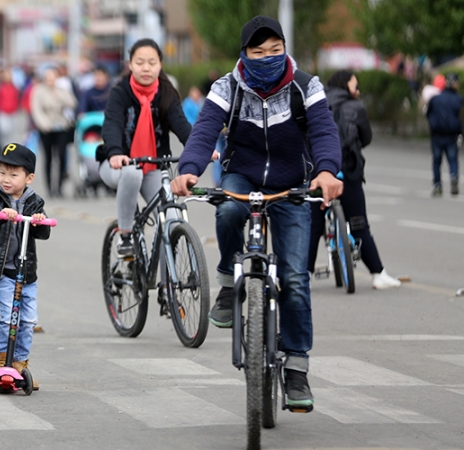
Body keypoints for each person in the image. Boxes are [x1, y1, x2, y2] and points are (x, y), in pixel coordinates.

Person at [171, 16, 344, 410]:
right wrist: (189, 170)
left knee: (296, 279)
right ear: (244, 54)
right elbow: (204, 130)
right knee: (229, 211)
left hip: (292, 184)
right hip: (242, 175)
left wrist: (327, 171)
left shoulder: (306, 85)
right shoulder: (226, 87)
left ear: (284, 48)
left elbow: (322, 131)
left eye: (275, 50)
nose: (268, 58)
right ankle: (230, 284)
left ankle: (297, 369)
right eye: (258, 52)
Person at [308, 70, 401, 290]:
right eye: (355, 86)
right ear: (346, 87)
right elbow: (366, 137)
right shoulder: (356, 107)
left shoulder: (314, 102)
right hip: (348, 172)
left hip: (318, 173)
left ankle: (304, 275)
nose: (358, 91)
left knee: (313, 226)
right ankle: (378, 274)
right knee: (359, 223)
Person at [99, 38, 193, 257]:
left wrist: (199, 148)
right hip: (117, 164)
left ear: (160, 65)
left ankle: (166, 285)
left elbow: (181, 124)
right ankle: (126, 235)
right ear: (130, 65)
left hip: (152, 165)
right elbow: (112, 124)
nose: (146, 67)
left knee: (171, 218)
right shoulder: (120, 92)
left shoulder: (167, 93)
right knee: (131, 173)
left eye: (152, 62)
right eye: (140, 62)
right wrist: (115, 152)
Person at [0, 143, 51, 390]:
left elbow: (44, 233)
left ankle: (20, 365)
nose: (5, 179)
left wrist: (39, 222)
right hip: (2, 271)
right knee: (9, 318)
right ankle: (0, 363)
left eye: (13, 174)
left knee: (28, 321)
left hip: (26, 273)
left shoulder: (34, 201)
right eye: (2, 173)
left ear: (29, 177)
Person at [30, 68, 77, 197]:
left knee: (61, 156)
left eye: (53, 78)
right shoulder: (38, 91)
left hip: (61, 126)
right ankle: (50, 187)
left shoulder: (61, 90)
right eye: (48, 78)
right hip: (46, 128)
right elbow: (36, 109)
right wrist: (43, 124)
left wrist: (58, 93)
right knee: (48, 158)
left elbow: (72, 103)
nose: (50, 81)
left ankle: (60, 186)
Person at [425, 73, 461, 197]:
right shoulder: (458, 100)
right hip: (452, 134)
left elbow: (428, 113)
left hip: (436, 134)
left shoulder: (436, 99)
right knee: (452, 159)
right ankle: (453, 177)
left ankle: (437, 185)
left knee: (436, 160)